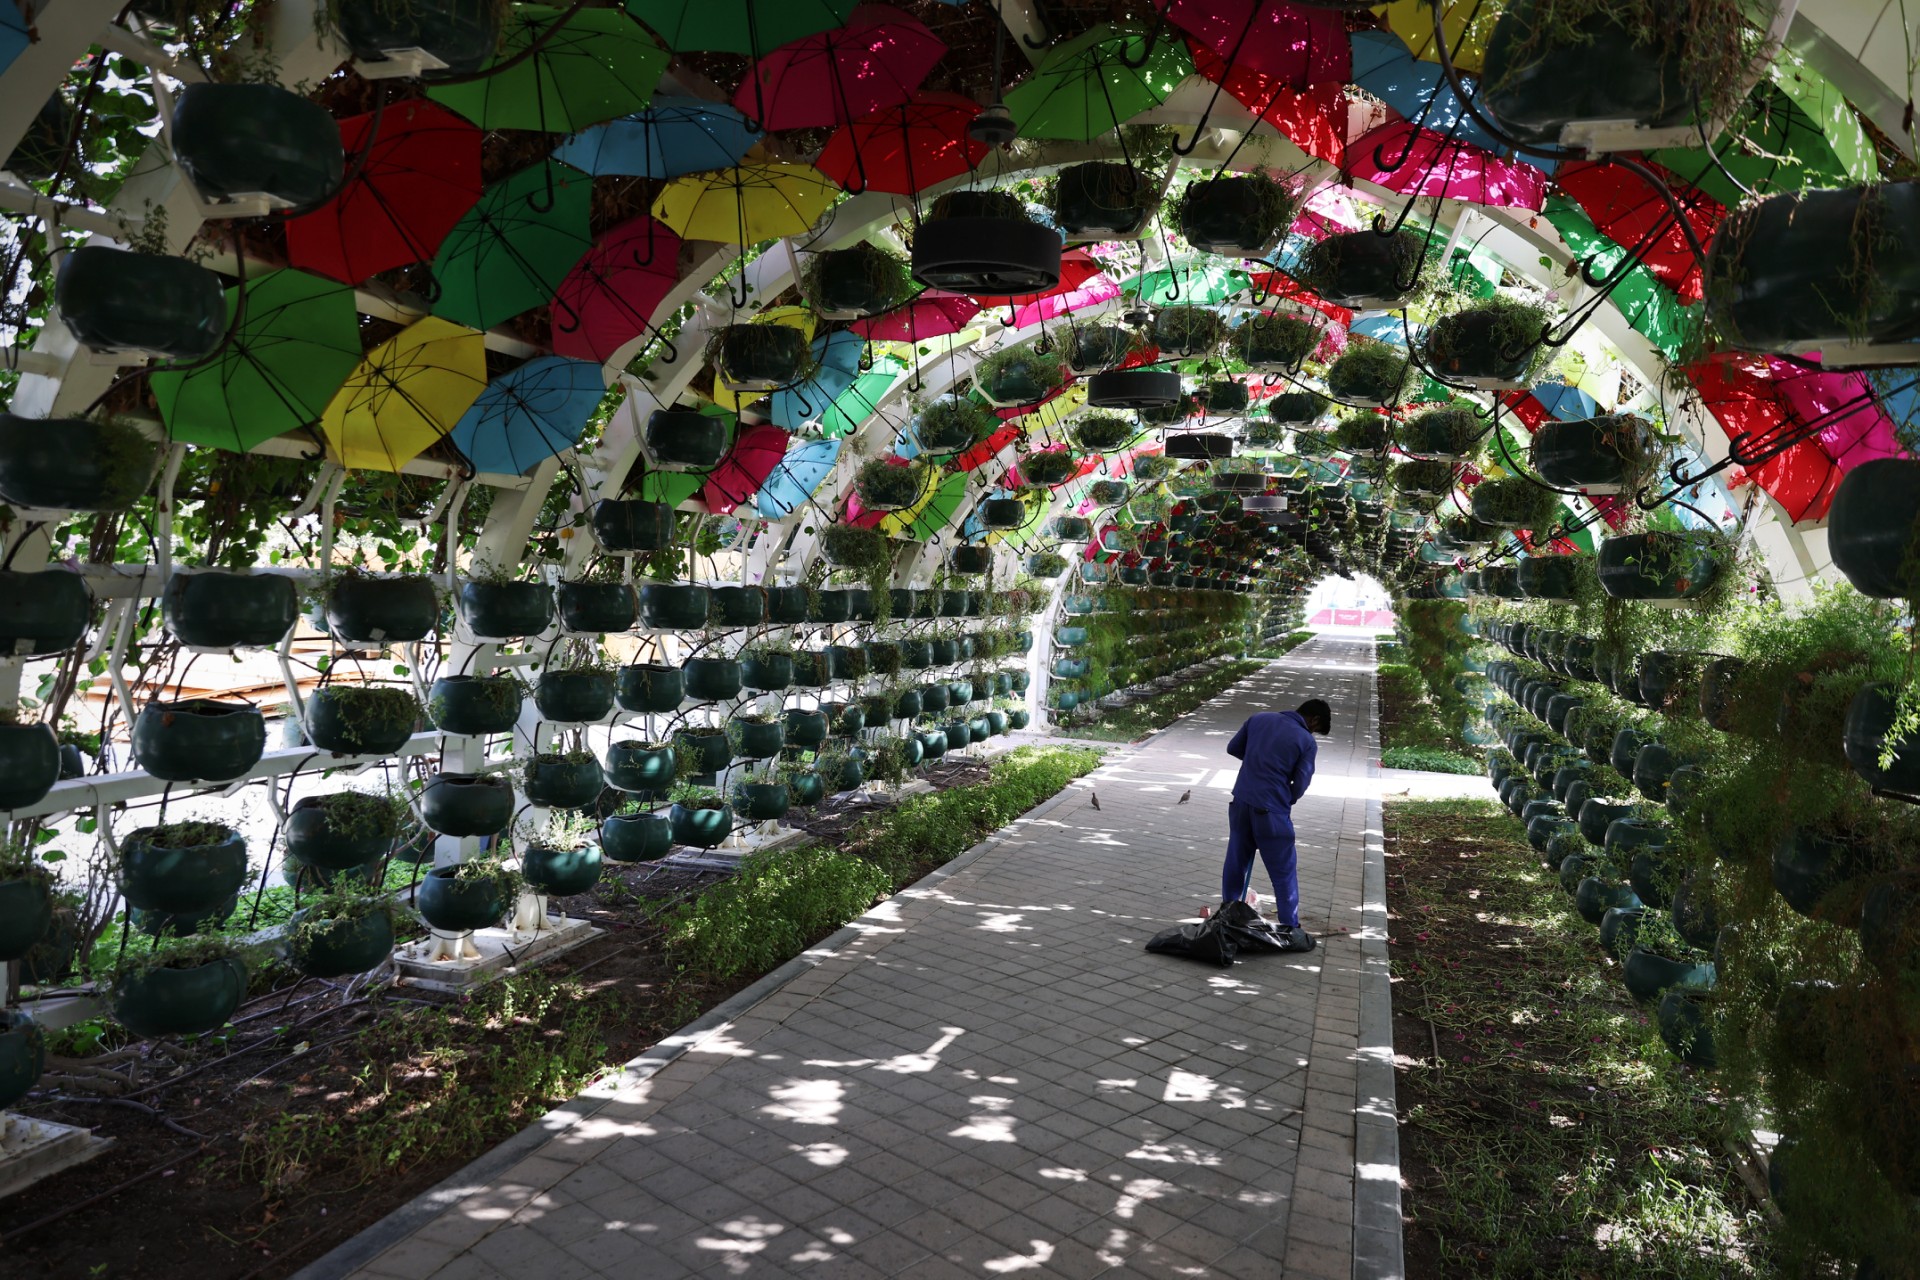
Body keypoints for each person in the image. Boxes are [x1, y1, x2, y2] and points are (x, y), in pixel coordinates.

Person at [1220, 698, 1332, 930]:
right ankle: (1289, 927)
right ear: (1314, 719)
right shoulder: (1306, 740)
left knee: (1236, 862)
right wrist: (1286, 796)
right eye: (1316, 729)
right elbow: (1301, 783)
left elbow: (1233, 748)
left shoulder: (1258, 718)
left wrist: (1258, 761)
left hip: (1241, 801)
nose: (1313, 732)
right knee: (1283, 873)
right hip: (1271, 810)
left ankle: (1228, 915)